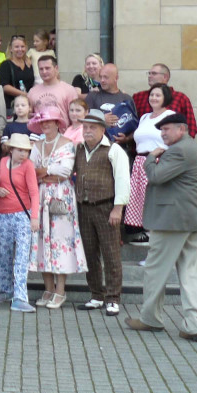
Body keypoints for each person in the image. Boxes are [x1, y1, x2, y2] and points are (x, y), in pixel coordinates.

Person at [126, 114, 197, 342]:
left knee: (155, 269)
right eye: (161, 130)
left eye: (167, 129)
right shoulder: (190, 147)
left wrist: (150, 158)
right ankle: (194, 326)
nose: (162, 134)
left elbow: (156, 176)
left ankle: (150, 319)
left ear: (182, 129)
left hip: (172, 221)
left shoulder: (179, 150)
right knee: (190, 273)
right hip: (189, 221)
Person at [72, 109, 130, 317]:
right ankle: (96, 295)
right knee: (89, 254)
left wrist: (118, 208)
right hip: (84, 207)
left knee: (111, 254)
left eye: (92, 127)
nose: (87, 131)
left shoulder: (114, 150)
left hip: (107, 207)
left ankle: (113, 298)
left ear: (102, 129)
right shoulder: (78, 149)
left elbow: (123, 180)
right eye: (85, 127)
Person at [27, 106, 86, 309]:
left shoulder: (68, 143)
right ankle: (48, 288)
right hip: (41, 195)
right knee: (43, 240)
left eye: (49, 121)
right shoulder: (37, 144)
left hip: (61, 196)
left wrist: (44, 171)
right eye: (42, 121)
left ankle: (60, 290)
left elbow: (65, 171)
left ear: (57, 123)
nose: (45, 124)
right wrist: (46, 173)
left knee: (61, 240)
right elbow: (30, 171)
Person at [0, 133, 40, 312]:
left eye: (26, 151)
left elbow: (34, 193)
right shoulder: (3, 162)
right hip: (2, 214)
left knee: (21, 257)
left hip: (22, 215)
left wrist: (34, 216)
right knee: (2, 254)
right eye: (20, 150)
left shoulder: (28, 166)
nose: (23, 154)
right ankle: (5, 290)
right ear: (11, 150)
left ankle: (20, 296)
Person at [124, 84, 174, 243]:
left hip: (158, 162)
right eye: (152, 95)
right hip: (140, 162)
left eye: (158, 95)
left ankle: (157, 238)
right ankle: (148, 235)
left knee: (154, 200)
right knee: (141, 201)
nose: (154, 98)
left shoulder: (170, 116)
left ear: (165, 97)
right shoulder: (145, 117)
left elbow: (174, 141)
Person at [132, 63, 197, 137]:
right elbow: (132, 124)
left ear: (165, 77)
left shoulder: (180, 98)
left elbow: (191, 129)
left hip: (170, 147)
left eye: (154, 73)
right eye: (149, 73)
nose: (150, 76)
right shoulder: (138, 97)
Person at [84, 63, 137, 145]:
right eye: (100, 77)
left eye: (105, 77)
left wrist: (126, 138)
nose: (102, 80)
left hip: (121, 149)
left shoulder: (126, 99)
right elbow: (82, 120)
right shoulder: (93, 96)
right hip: (98, 147)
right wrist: (101, 120)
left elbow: (135, 127)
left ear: (116, 78)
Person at [27, 55, 79, 120]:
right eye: (41, 69)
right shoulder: (32, 92)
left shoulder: (69, 90)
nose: (44, 72)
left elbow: (75, 117)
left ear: (56, 68)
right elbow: (28, 117)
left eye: (47, 68)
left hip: (63, 130)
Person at [0, 35, 35, 100]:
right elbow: (5, 86)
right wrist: (24, 94)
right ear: (11, 49)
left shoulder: (28, 64)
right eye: (16, 47)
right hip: (12, 104)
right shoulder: (5, 65)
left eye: (22, 47)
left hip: (27, 103)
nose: (20, 49)